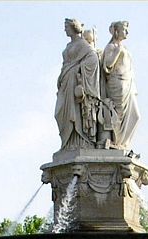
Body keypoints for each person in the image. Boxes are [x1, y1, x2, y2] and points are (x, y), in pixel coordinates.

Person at [55, 18, 101, 150]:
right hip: (66, 82)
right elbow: (65, 63)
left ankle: (80, 142)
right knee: (60, 112)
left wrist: (78, 68)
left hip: (74, 81)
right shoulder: (69, 46)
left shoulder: (82, 44)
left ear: (73, 27)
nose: (65, 30)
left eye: (66, 27)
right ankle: (68, 143)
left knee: (75, 112)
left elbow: (93, 58)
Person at [100, 21, 140, 149]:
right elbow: (107, 64)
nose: (127, 32)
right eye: (124, 29)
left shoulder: (125, 48)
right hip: (117, 83)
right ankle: (116, 142)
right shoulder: (111, 47)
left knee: (135, 116)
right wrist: (117, 51)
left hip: (128, 83)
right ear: (116, 31)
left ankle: (122, 143)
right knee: (119, 114)